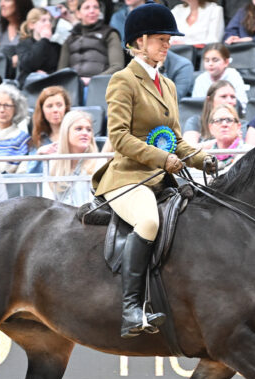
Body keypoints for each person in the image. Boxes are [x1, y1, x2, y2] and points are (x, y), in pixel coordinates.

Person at [92, 2, 217, 337]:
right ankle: (132, 308)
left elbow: (174, 139)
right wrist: (162, 160)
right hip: (128, 177)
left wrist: (203, 158)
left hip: (161, 178)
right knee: (148, 220)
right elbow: (118, 138)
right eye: (161, 39)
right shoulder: (123, 80)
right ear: (140, 41)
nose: (168, 44)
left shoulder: (169, 85)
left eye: (168, 39)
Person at [43, 110, 102, 205]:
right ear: (66, 132)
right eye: (79, 129)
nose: (85, 133)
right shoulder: (53, 162)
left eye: (89, 129)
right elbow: (46, 202)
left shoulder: (100, 162)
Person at [59, 0, 124, 85]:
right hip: (73, 86)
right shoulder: (69, 39)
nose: (92, 11)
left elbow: (117, 67)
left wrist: (93, 81)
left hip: (99, 85)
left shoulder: (109, 33)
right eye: (87, 7)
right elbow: (61, 71)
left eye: (95, 7)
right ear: (78, 13)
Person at [25, 86, 71, 175]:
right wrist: (39, 154)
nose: (55, 110)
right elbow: (31, 174)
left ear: (66, 107)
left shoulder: (75, 134)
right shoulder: (39, 139)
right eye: (49, 106)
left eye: (59, 105)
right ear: (42, 110)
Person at [183, 79, 241, 145]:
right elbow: (188, 150)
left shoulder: (241, 123)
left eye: (232, 97)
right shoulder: (196, 122)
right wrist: (219, 142)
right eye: (223, 96)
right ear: (210, 100)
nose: (229, 101)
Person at [16, 7, 62, 87]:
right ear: (31, 25)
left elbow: (58, 69)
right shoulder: (24, 45)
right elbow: (29, 64)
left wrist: (47, 75)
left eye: (50, 20)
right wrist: (44, 39)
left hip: (50, 86)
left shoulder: (56, 47)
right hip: (29, 87)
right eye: (43, 20)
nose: (48, 23)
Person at [201, 104, 243, 176]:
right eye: (218, 121)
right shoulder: (202, 157)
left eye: (229, 120)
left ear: (238, 126)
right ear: (210, 128)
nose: (224, 124)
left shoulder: (249, 153)